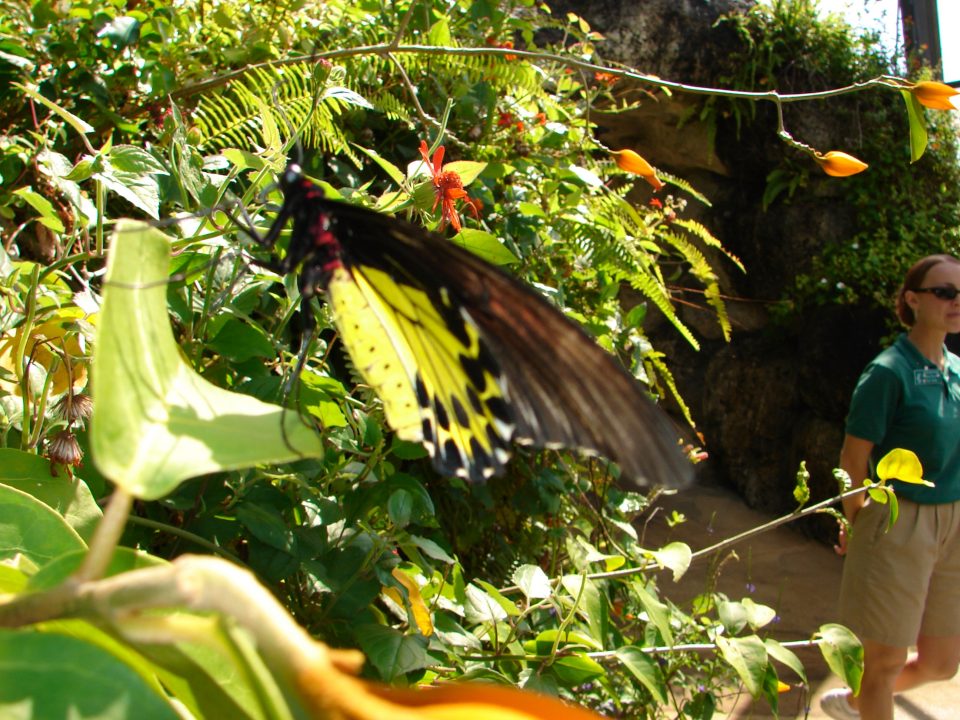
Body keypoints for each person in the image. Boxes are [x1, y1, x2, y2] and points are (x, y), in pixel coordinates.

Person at [820, 254, 960, 720]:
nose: (956, 301)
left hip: (952, 524)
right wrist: (856, 518)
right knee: (883, 661)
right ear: (913, 300)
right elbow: (853, 458)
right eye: (944, 292)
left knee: (942, 663)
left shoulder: (955, 370)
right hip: (900, 518)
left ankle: (861, 702)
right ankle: (871, 698)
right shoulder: (887, 372)